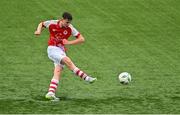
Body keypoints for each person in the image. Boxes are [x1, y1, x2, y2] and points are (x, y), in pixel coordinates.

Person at [34, 12, 97, 101]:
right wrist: (38, 31)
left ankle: (50, 93)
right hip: (52, 48)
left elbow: (82, 39)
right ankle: (86, 78)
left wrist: (69, 43)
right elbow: (42, 24)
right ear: (62, 19)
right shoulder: (53, 23)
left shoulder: (70, 28)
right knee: (68, 60)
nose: (68, 24)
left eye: (69, 22)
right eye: (67, 22)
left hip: (61, 51)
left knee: (58, 72)